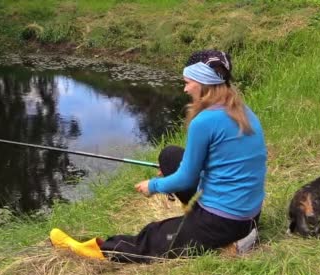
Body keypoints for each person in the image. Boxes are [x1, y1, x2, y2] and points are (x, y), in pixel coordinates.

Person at [50, 50, 267, 263]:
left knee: (152, 237)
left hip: (225, 221)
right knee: (170, 155)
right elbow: (216, 164)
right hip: (248, 214)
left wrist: (153, 185)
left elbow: (186, 179)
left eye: (188, 81)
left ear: (203, 82)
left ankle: (91, 249)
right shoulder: (242, 110)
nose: (185, 88)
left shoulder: (204, 122)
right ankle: (200, 223)